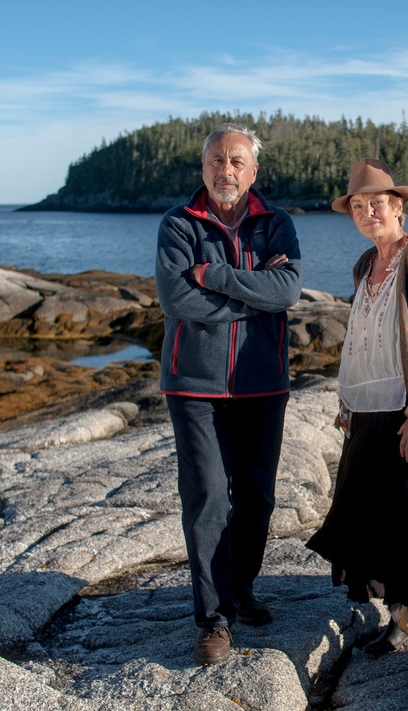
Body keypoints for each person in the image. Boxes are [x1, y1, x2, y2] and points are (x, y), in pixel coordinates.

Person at [308, 159, 408, 703]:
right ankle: (398, 624)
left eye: (378, 202)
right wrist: (348, 402)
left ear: (399, 207)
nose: (368, 211)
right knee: (369, 524)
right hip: (366, 413)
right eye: (358, 205)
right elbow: (364, 340)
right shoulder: (362, 265)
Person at [154, 122, 303, 666]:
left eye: (237, 161)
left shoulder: (277, 223)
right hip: (193, 385)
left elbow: (287, 290)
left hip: (264, 383)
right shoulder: (179, 224)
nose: (226, 170)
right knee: (210, 498)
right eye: (216, 160)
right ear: (203, 167)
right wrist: (252, 292)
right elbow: (176, 299)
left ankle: (239, 588)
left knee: (258, 498)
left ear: (253, 171)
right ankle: (214, 619)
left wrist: (213, 276)